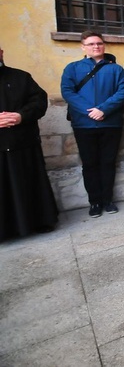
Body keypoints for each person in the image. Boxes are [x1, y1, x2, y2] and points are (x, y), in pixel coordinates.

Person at [61, 31, 124, 218]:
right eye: (91, 44)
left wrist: (104, 110)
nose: (96, 47)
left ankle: (108, 200)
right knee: (90, 164)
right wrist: (89, 111)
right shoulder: (72, 68)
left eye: (99, 43)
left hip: (111, 124)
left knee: (108, 163)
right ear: (83, 47)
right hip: (84, 125)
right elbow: (68, 92)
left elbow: (122, 91)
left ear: (104, 45)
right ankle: (95, 202)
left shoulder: (116, 70)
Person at [0, 46, 58, 240]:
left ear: (1, 53)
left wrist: (20, 116)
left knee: (29, 183)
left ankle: (39, 221)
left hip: (22, 143)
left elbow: (39, 102)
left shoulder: (21, 77)